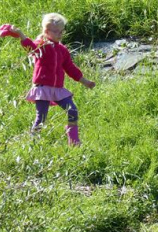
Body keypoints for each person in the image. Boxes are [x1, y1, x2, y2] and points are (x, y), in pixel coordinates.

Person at [7, 13, 95, 145]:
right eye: (56, 31)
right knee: (41, 117)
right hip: (43, 88)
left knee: (72, 110)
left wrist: (85, 81)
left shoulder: (62, 50)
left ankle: (74, 140)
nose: (59, 34)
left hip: (58, 89)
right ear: (46, 31)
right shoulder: (42, 45)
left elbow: (70, 68)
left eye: (61, 31)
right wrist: (21, 34)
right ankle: (33, 142)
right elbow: (31, 47)